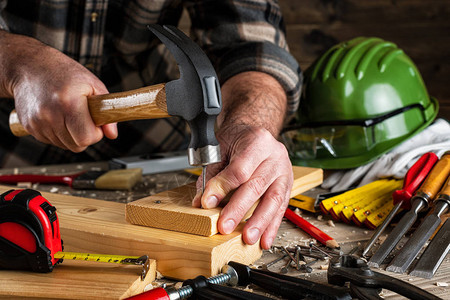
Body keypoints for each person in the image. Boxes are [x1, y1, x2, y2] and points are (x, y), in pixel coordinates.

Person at [0, 0, 301, 249]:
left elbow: (252, 44)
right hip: (12, 149)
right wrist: (20, 62)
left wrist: (247, 122)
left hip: (152, 156)